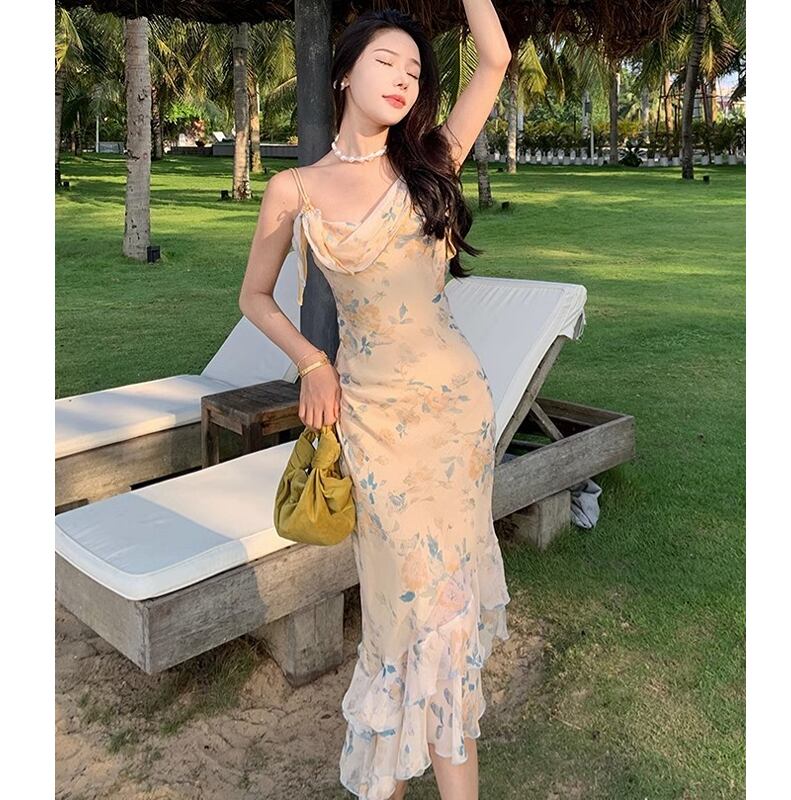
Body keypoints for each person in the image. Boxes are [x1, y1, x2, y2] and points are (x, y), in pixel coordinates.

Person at [239, 4, 512, 798]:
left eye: (415, 72)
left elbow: (494, 58)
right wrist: (311, 362)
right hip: (376, 426)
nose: (402, 79)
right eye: (386, 62)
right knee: (402, 613)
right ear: (345, 73)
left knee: (446, 611)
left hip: (455, 417)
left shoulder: (433, 161)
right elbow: (254, 297)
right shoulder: (294, 188)